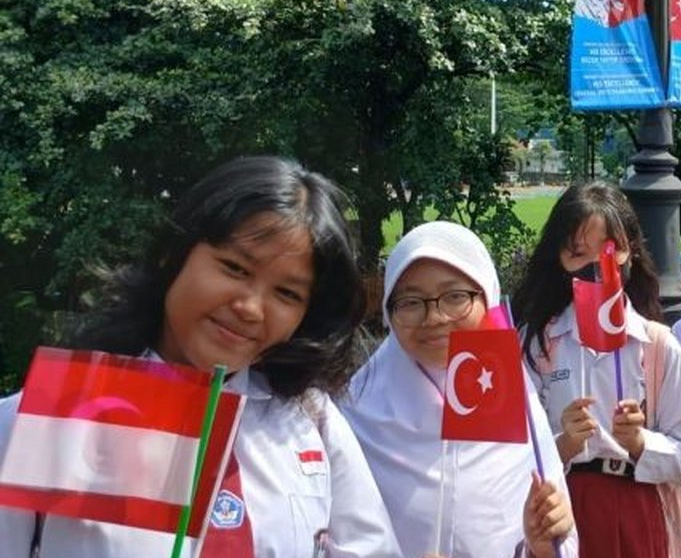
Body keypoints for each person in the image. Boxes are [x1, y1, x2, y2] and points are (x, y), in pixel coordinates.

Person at [0, 156, 402, 557]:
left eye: (287, 294)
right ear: (172, 256)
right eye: (234, 268)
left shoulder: (310, 420)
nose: (251, 307)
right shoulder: (53, 415)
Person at [342, 221, 577, 558]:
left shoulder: (516, 403)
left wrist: (542, 547)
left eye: (455, 297)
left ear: (487, 297)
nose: (435, 318)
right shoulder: (352, 411)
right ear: (388, 312)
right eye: (410, 301)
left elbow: (561, 537)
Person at [511, 183, 681, 558]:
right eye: (578, 253)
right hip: (563, 510)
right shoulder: (538, 343)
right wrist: (563, 443)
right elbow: (514, 453)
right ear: (559, 258)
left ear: (629, 250)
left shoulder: (658, 345)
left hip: (637, 508)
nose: (596, 267)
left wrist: (640, 442)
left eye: (610, 251)